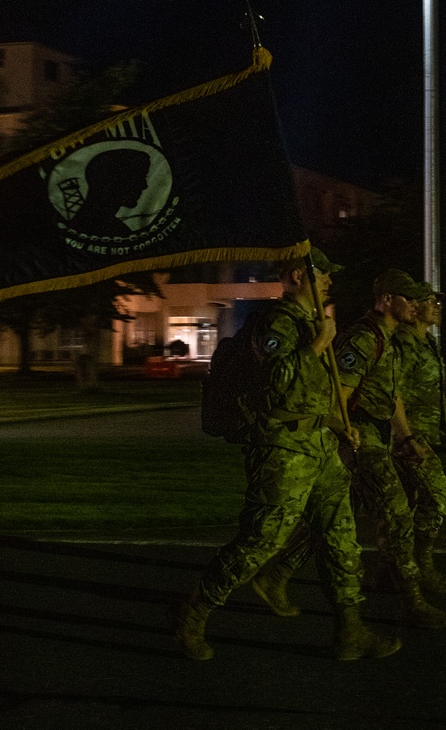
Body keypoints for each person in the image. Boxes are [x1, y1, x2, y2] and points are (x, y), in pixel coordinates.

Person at [172, 248, 400, 663]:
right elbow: (275, 382)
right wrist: (316, 344)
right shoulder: (276, 323)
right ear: (297, 276)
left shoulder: (313, 322)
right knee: (261, 540)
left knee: (340, 538)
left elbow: (319, 388)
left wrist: (337, 423)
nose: (329, 281)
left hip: (320, 444)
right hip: (282, 449)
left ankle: (350, 630)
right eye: (322, 274)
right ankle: (193, 613)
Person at [333, 269, 446, 628]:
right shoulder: (364, 338)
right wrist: (348, 435)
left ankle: (275, 576)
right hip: (363, 439)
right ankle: (411, 600)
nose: (417, 305)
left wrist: (405, 437)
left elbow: (393, 395)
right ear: (388, 300)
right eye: (410, 299)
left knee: (334, 522)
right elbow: (338, 395)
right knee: (395, 516)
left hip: (384, 436)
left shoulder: (385, 337)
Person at [393, 287, 446, 594]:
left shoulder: (429, 343)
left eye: (438, 303)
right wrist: (405, 436)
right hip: (407, 437)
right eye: (430, 303)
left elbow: (436, 390)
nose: (437, 307)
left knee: (407, 505)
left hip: (425, 433)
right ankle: (424, 569)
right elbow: (393, 391)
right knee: (436, 498)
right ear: (414, 307)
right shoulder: (403, 343)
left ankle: (393, 570)